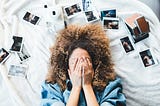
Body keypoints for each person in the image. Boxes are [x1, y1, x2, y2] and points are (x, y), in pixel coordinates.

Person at [41, 24, 126, 106]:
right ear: (66, 66)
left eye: (86, 60)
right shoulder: (52, 87)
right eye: (75, 61)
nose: (81, 65)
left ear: (94, 64)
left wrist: (87, 86)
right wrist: (76, 87)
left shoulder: (110, 85)